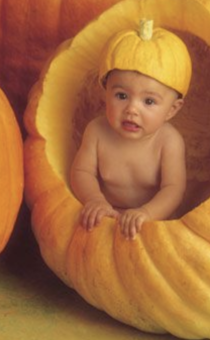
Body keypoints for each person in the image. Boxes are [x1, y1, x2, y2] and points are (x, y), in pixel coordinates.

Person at [70, 18, 191, 239]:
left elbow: (173, 189)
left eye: (149, 102)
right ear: (105, 93)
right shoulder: (96, 131)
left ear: (172, 110)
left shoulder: (169, 141)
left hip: (153, 223)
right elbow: (81, 172)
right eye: (122, 96)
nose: (131, 109)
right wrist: (95, 200)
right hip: (106, 215)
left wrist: (146, 213)